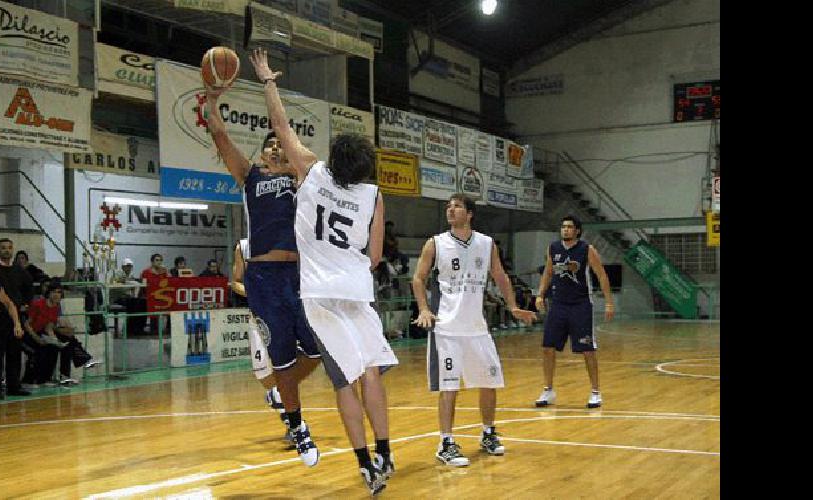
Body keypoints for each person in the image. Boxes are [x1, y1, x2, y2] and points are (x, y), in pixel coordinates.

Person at [251, 47, 396, 494]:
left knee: (343, 382)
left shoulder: (311, 173)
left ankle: (364, 465)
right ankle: (386, 454)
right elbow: (373, 258)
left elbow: (280, 127)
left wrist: (268, 81)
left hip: (319, 296)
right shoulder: (373, 196)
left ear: (332, 157)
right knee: (370, 373)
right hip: (356, 291)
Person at [204, 74, 324, 467]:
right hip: (264, 279)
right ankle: (298, 426)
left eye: (279, 145)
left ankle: (276, 391)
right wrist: (212, 98)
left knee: (317, 349)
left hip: (299, 277)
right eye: (269, 146)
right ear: (261, 156)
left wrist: (270, 85)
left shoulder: (301, 178)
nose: (275, 147)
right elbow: (221, 137)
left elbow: (283, 127)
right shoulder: (250, 176)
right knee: (284, 358)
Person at [411, 193, 536, 467]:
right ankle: (445, 442)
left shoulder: (486, 243)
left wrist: (513, 306)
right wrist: (423, 309)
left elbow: (500, 275)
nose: (450, 210)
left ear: (469, 214)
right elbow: (418, 278)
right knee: (449, 387)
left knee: (489, 382)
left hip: (477, 329)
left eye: (456, 206)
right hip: (446, 328)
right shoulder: (435, 244)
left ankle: (488, 433)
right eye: (448, 207)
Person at [231, 238, 321, 445]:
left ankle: (292, 422)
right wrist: (255, 293)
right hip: (261, 314)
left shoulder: (290, 241)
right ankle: (281, 400)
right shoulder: (244, 247)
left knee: (305, 357)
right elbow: (236, 281)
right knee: (264, 375)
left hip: (289, 310)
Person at [534, 215, 616, 409]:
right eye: (563, 227)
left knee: (587, 350)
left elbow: (602, 276)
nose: (565, 230)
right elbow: (548, 272)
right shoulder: (553, 248)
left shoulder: (587, 250)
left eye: (569, 227)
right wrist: (540, 295)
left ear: (577, 231)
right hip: (558, 305)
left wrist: (609, 302)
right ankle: (548, 389)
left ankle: (595, 392)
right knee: (547, 348)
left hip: (581, 305)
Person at [27, 281, 101, 385]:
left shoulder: (56, 307)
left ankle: (64, 375)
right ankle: (83, 359)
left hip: (45, 332)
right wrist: (36, 338)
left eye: (59, 292)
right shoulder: (38, 304)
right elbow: (27, 324)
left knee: (67, 342)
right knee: (53, 346)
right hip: (33, 333)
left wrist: (55, 339)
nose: (57, 295)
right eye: (55, 292)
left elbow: (50, 326)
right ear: (49, 293)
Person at [0, 238, 33, 397]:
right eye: (3, 248)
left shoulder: (18, 270)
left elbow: (29, 288)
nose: (7, 250)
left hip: (15, 317)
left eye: (9, 248)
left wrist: (25, 304)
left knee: (14, 352)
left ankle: (14, 386)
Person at [141, 254, 171, 336]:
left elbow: (170, 282)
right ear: (152, 262)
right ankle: (154, 329)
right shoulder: (146, 272)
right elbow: (143, 286)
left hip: (162, 295)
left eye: (160, 260)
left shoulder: (164, 272)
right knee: (152, 303)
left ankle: (169, 328)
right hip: (150, 295)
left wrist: (167, 272)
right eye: (157, 260)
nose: (159, 262)